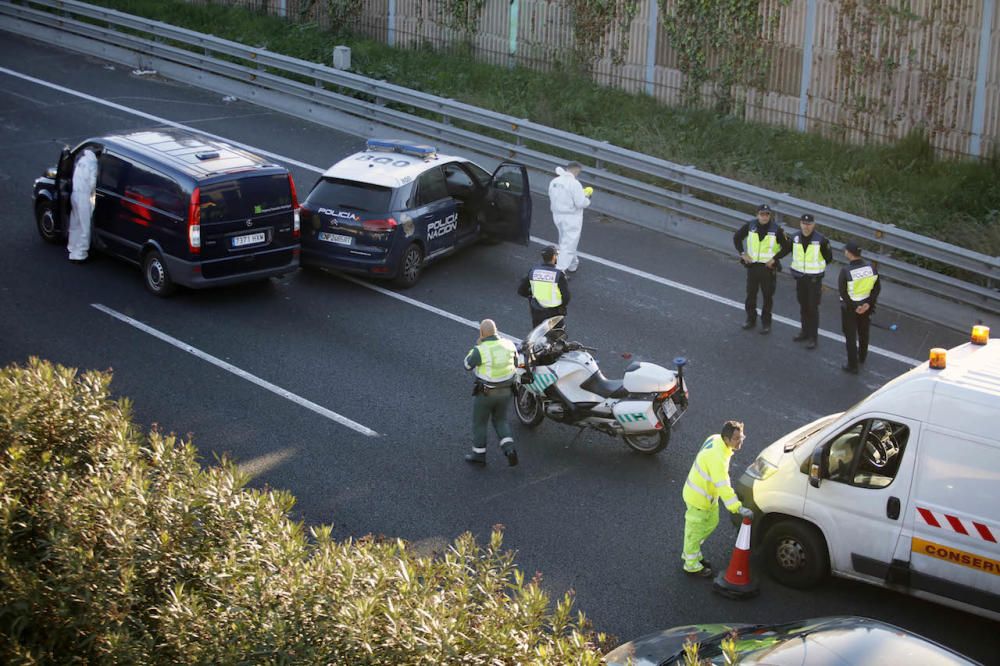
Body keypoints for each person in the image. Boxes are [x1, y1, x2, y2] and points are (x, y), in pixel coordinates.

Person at [681, 421, 754, 577]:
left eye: (741, 437)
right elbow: (723, 486)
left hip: (707, 497)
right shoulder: (717, 458)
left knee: (711, 523)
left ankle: (692, 552)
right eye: (736, 439)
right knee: (695, 533)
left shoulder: (716, 439)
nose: (740, 441)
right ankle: (691, 565)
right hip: (698, 499)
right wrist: (738, 508)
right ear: (726, 439)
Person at [463, 319, 519, 466]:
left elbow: (467, 365)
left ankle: (479, 455)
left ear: (481, 333)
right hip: (506, 391)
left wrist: (476, 346)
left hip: (486, 394)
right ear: (496, 330)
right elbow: (516, 363)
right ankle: (510, 449)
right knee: (500, 420)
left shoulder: (481, 349)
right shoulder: (509, 344)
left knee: (480, 423)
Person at [733, 204, 790, 334]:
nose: (764, 217)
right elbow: (737, 237)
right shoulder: (750, 226)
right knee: (751, 295)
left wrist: (775, 259)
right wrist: (743, 254)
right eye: (762, 214)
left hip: (768, 268)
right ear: (757, 214)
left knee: (767, 297)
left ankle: (766, 323)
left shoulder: (777, 229)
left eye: (767, 214)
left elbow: (787, 247)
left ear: (770, 215)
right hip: (752, 266)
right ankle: (750, 319)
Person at [789, 213, 833, 349]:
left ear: (813, 225)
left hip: (814, 279)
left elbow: (828, 258)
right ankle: (804, 332)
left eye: (809, 224)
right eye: (803, 223)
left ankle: (813, 338)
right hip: (800, 278)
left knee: (812, 308)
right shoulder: (795, 237)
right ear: (800, 224)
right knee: (803, 306)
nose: (806, 226)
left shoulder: (821, 240)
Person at [838, 241, 881, 374]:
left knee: (850, 336)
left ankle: (852, 365)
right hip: (866, 307)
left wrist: (855, 306)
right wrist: (868, 303)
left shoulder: (846, 271)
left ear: (849, 253)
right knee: (864, 333)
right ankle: (862, 357)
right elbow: (877, 288)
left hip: (850, 309)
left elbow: (843, 293)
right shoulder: (871, 268)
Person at [548, 162, 592, 274]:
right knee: (568, 244)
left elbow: (551, 195)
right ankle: (559, 271)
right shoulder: (574, 184)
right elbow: (580, 203)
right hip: (571, 218)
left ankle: (573, 264)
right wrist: (587, 198)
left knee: (565, 240)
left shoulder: (554, 181)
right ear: (577, 171)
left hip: (557, 215)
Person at [518, 245, 571, 327]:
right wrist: (561, 306)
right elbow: (566, 297)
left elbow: (521, 291)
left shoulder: (533, 271)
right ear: (554, 257)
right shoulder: (558, 274)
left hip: (537, 310)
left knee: (537, 334)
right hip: (554, 312)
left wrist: (532, 295)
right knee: (558, 334)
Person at [67, 148, 98, 262]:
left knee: (75, 223)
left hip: (75, 194)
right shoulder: (93, 164)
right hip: (84, 196)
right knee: (85, 226)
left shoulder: (82, 160)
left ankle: (72, 249)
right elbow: (93, 182)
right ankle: (81, 254)